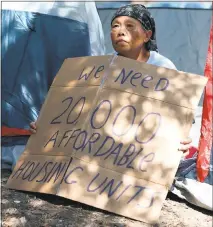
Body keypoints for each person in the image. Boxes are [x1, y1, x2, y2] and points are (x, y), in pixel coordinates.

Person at [30, 4, 192, 153]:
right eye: (115, 26)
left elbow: (180, 114)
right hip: (104, 146)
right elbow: (78, 108)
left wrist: (180, 138)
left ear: (146, 35)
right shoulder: (99, 67)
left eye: (130, 26)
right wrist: (47, 123)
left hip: (143, 146)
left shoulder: (162, 66)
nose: (121, 31)